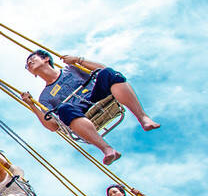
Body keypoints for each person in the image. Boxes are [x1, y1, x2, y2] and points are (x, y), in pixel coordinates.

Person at [22, 50, 159, 165]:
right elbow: (52, 126)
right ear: (32, 73)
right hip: (78, 113)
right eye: (28, 65)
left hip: (94, 97)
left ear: (46, 59)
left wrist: (78, 60)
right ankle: (107, 149)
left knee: (109, 73)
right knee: (64, 108)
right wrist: (32, 105)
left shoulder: (71, 69)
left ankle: (143, 118)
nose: (29, 63)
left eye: (32, 59)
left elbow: (101, 68)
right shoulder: (44, 98)